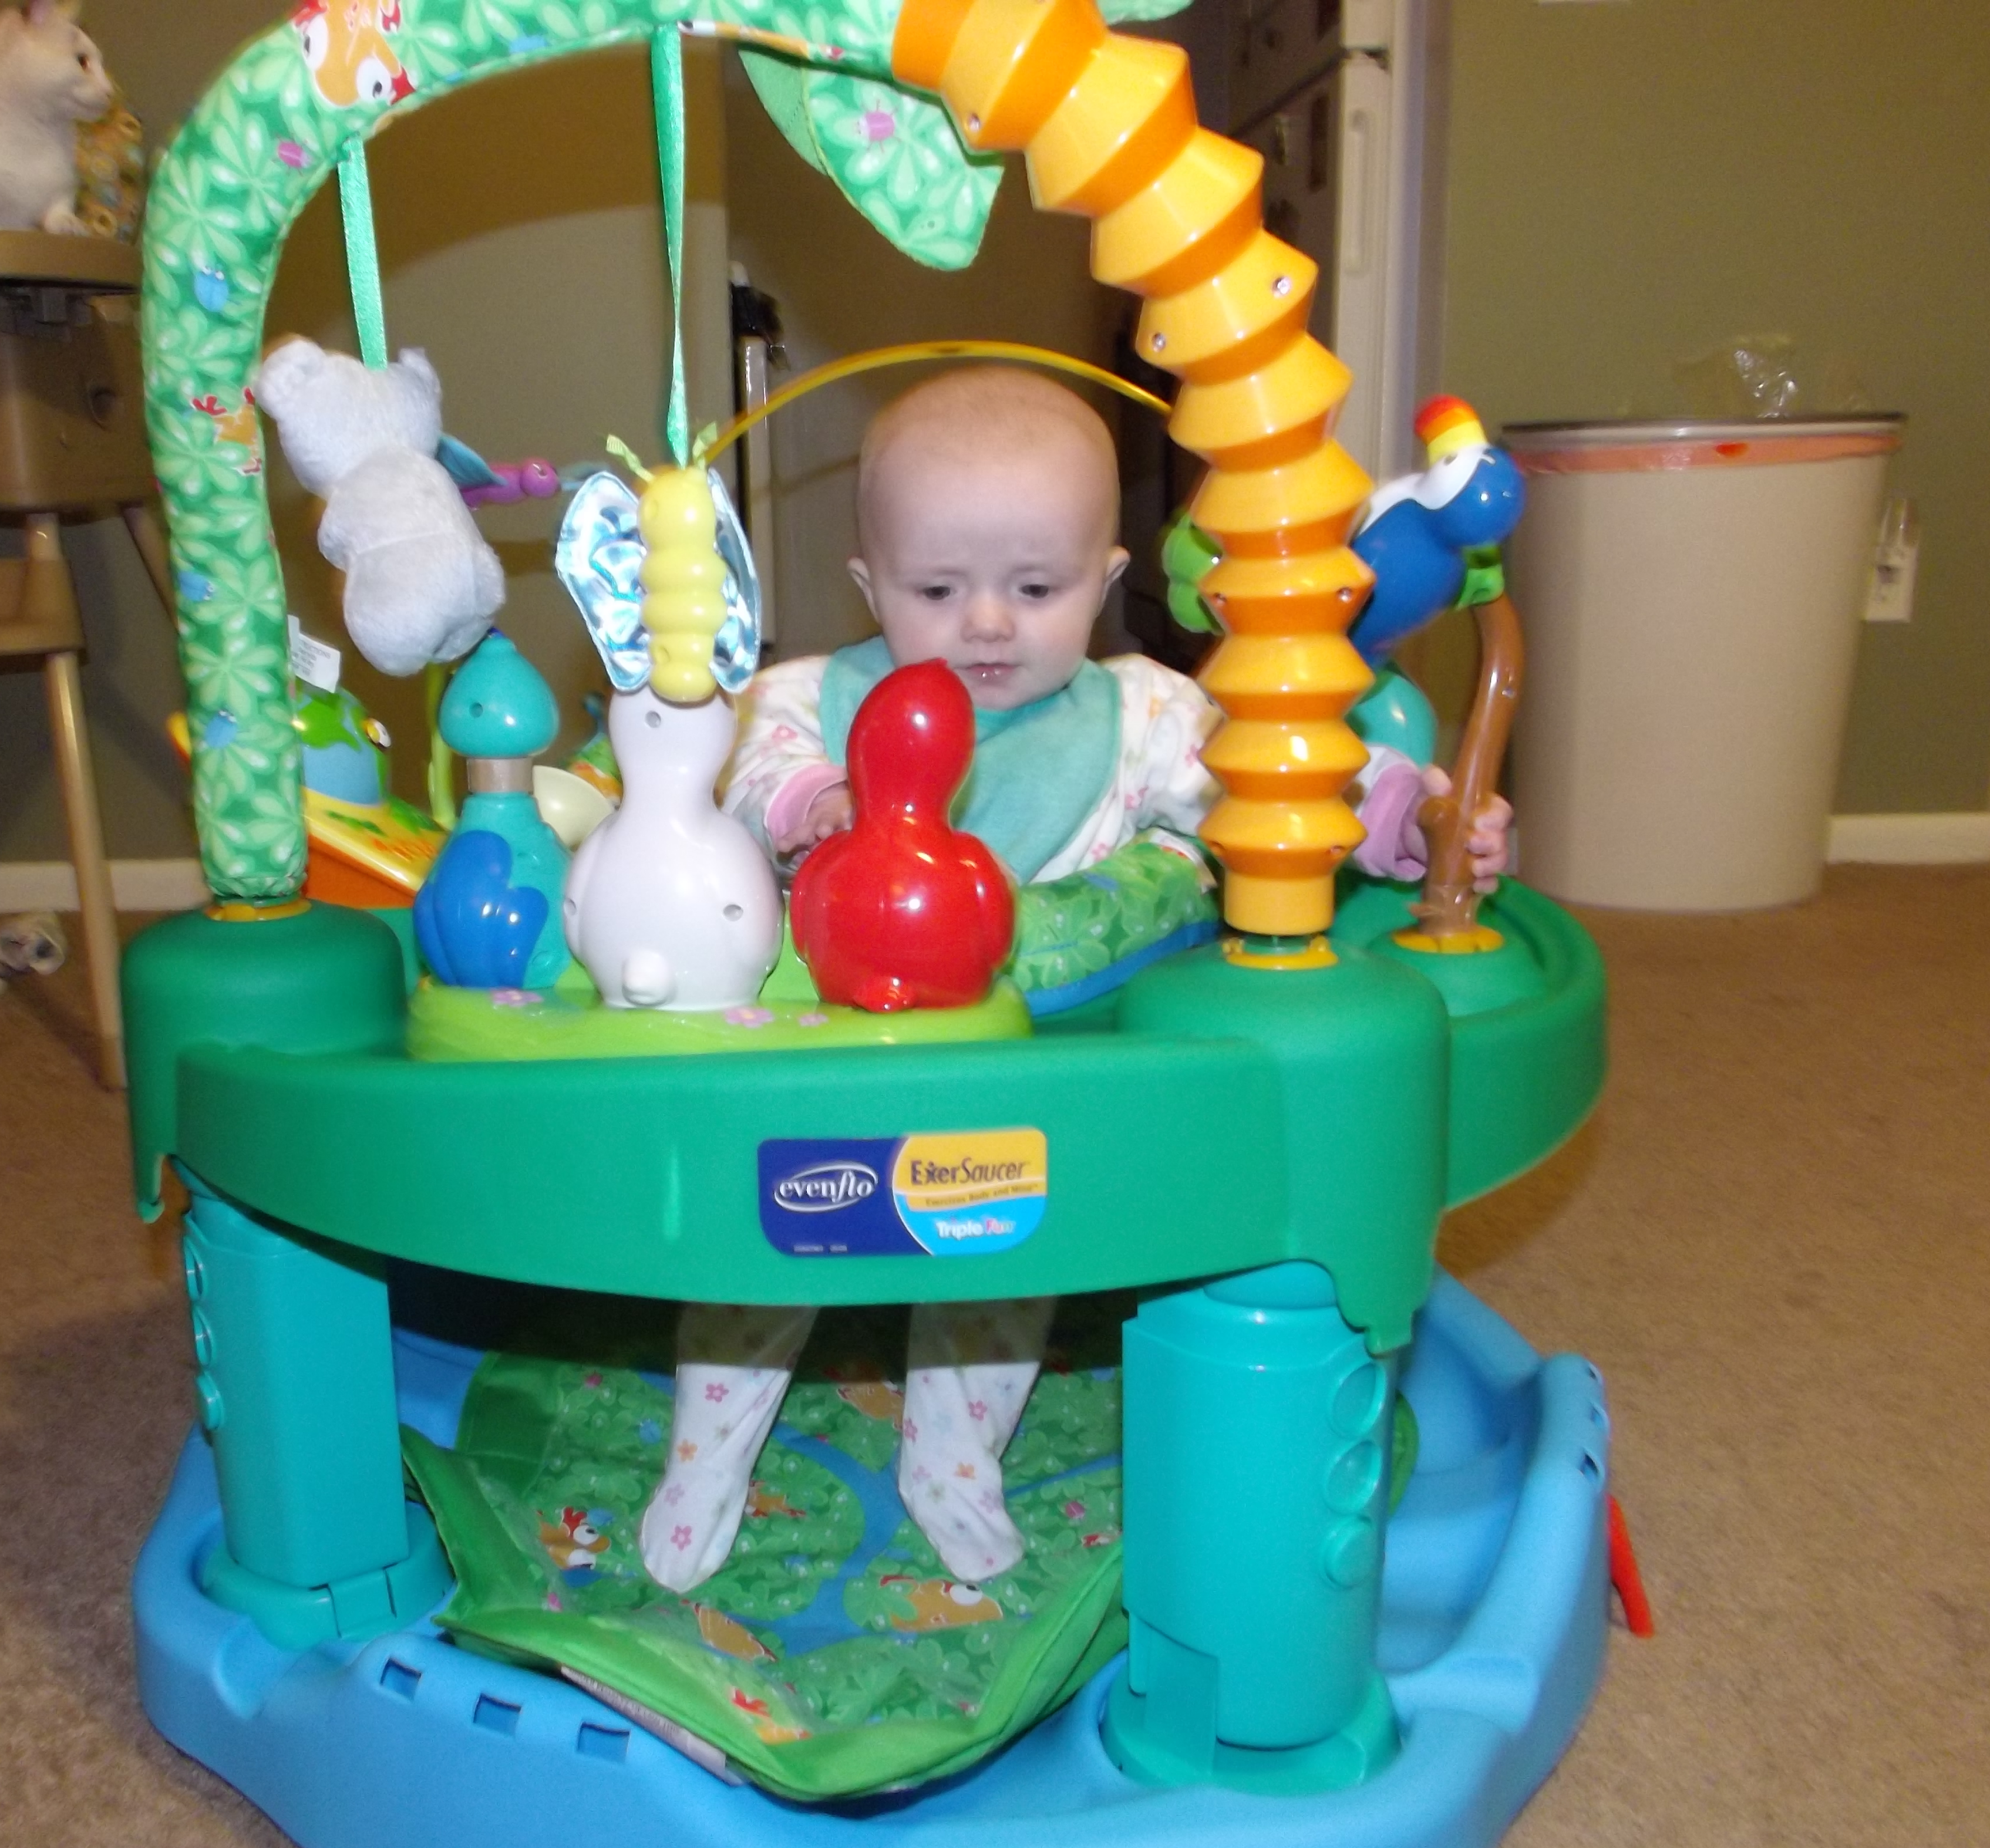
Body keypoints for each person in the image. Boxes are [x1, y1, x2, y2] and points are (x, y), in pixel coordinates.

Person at [637, 367, 1508, 1596]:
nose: (986, 623)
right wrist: (820, 807)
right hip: (825, 1052)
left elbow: (1280, 785)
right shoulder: (807, 700)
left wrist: (1416, 823)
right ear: (866, 587)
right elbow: (734, 779)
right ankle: (706, 1456)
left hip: (1038, 1073)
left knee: (997, 1251)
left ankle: (952, 1457)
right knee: (761, 1245)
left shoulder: (1151, 715)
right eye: (936, 590)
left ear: (1103, 582)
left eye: (1035, 589)